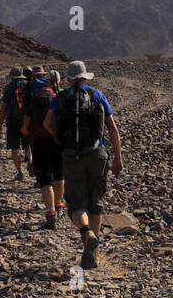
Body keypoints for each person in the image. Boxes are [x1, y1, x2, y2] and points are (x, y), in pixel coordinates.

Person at [47, 60, 122, 269]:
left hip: (71, 156)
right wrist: (118, 157)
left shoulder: (60, 98)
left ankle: (86, 232)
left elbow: (47, 123)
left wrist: (61, 140)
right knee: (96, 199)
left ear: (69, 78)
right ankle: (93, 251)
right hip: (97, 153)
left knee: (75, 202)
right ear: (85, 77)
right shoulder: (97, 95)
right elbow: (113, 128)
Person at [20, 65, 63, 227]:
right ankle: (59, 205)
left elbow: (24, 129)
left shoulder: (34, 100)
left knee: (45, 179)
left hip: (38, 143)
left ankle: (50, 214)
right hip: (57, 141)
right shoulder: (57, 99)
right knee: (59, 175)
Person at [0, 67, 32, 180]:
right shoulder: (28, 85)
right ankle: (30, 162)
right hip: (27, 119)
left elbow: (4, 106)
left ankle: (20, 172)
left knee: (15, 148)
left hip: (13, 120)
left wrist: (0, 122)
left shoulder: (8, 88)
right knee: (27, 144)